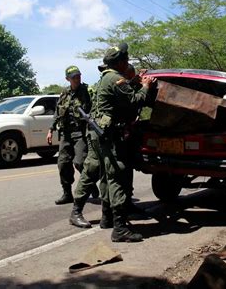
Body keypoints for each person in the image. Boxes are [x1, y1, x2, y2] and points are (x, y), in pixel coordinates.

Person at [70, 43, 156, 242]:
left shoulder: (106, 78)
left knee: (108, 175)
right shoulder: (116, 79)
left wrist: (135, 81)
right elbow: (135, 101)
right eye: (126, 59)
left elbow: (123, 97)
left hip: (100, 134)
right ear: (120, 62)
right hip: (110, 136)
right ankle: (120, 229)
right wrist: (146, 85)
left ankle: (107, 218)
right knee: (117, 176)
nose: (128, 62)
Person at [47, 66, 98, 205]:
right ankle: (67, 193)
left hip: (80, 132)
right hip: (65, 133)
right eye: (74, 77)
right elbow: (58, 113)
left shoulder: (87, 92)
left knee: (80, 162)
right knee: (63, 164)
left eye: (78, 76)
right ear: (67, 79)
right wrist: (51, 129)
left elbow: (95, 109)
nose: (77, 78)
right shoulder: (64, 94)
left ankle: (90, 183)